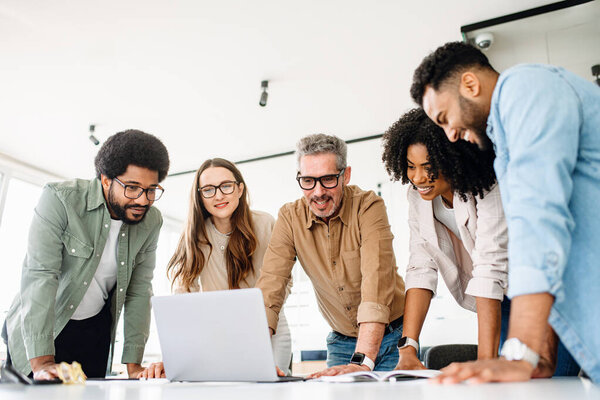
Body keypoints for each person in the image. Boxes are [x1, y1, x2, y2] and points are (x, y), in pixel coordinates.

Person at [410, 41, 600, 383]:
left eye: (444, 118)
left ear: (470, 84)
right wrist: (541, 352)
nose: (449, 134)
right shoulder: (505, 147)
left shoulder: (524, 89)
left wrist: (520, 351)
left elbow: (538, 218)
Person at [2, 130, 170, 380]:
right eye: (133, 188)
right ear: (105, 180)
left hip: (93, 330)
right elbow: (40, 275)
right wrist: (42, 362)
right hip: (43, 328)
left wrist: (134, 366)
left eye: (151, 189)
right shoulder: (60, 199)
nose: (143, 200)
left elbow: (139, 289)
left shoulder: (151, 221)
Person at [255, 134, 406, 377]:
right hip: (341, 341)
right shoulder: (289, 217)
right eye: (308, 181)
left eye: (327, 179)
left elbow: (376, 281)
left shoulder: (368, 206)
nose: (318, 192)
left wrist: (362, 362)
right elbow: (271, 286)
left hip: (393, 337)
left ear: (345, 175)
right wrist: (256, 357)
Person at [138, 158, 292, 379]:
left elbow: (283, 281)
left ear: (240, 189)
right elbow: (183, 298)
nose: (218, 196)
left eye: (226, 186)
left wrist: (260, 324)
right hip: (218, 335)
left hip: (268, 331)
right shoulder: (193, 235)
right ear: (200, 197)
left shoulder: (264, 223)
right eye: (208, 190)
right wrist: (174, 355)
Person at [381, 107, 508, 369]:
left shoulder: (487, 184)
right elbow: (420, 266)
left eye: (429, 167)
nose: (418, 178)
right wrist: (408, 349)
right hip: (501, 303)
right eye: (410, 167)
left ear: (452, 158)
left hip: (538, 293)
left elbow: (489, 268)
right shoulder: (417, 196)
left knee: (550, 382)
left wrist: (484, 364)